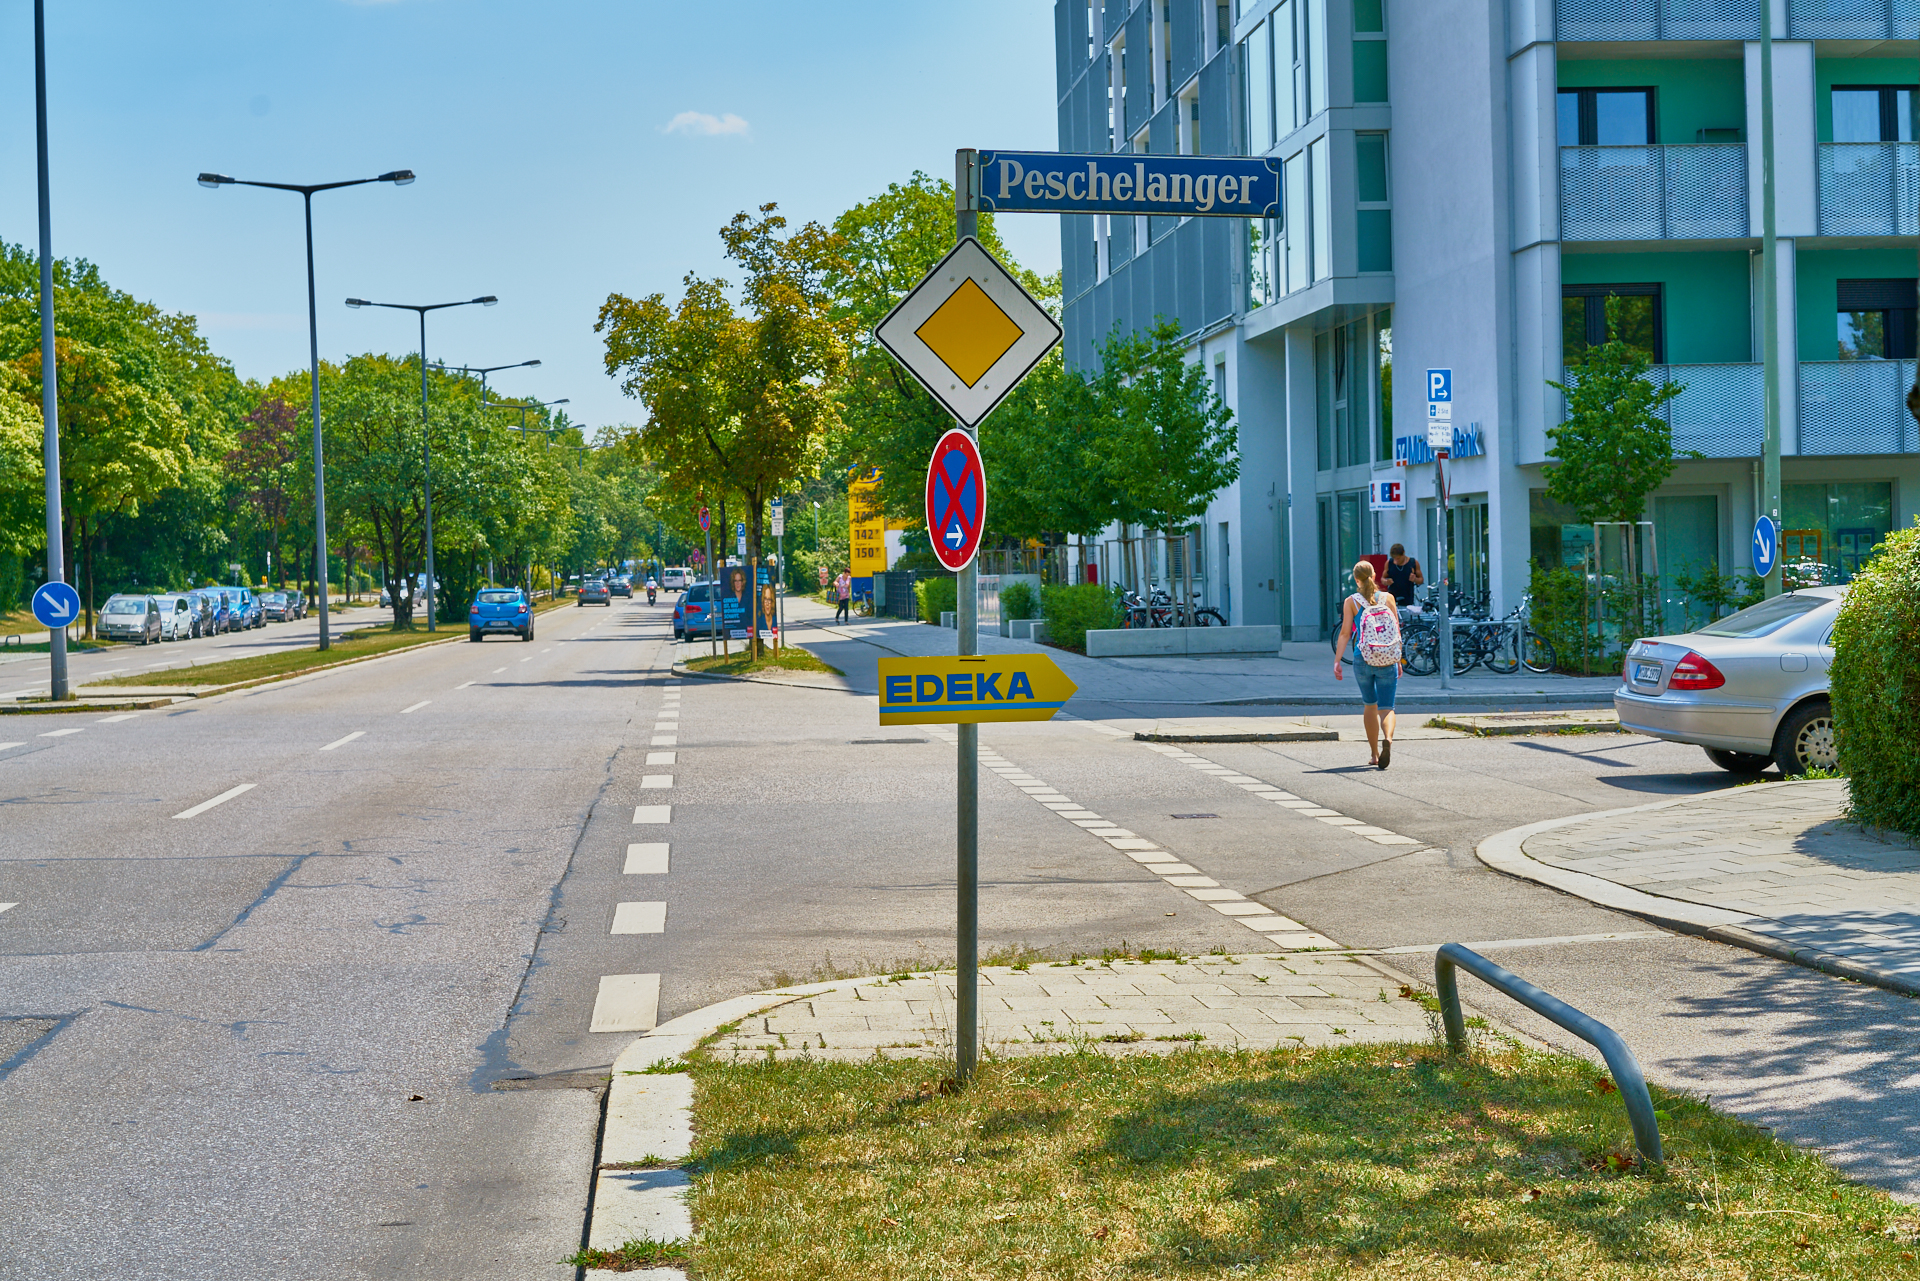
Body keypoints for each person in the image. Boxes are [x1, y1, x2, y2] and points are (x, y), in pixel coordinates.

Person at [1332, 559, 1401, 770]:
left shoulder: (1351, 602)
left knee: (1370, 704)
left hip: (1362, 658)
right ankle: (1388, 738)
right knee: (1387, 707)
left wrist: (1337, 661)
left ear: (1355, 579)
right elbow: (1396, 631)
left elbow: (1345, 633)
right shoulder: (1388, 598)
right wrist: (1398, 659)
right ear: (1374, 575)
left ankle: (1374, 754)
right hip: (1387, 658)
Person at [1382, 543, 1423, 608]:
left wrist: (1415, 579)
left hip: (1408, 597)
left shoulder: (1413, 563)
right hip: (1392, 597)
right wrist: (1386, 582)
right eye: (1394, 558)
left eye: (1398, 558)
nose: (1396, 560)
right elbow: (1382, 578)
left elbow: (1421, 579)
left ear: (1403, 553)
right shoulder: (1389, 563)